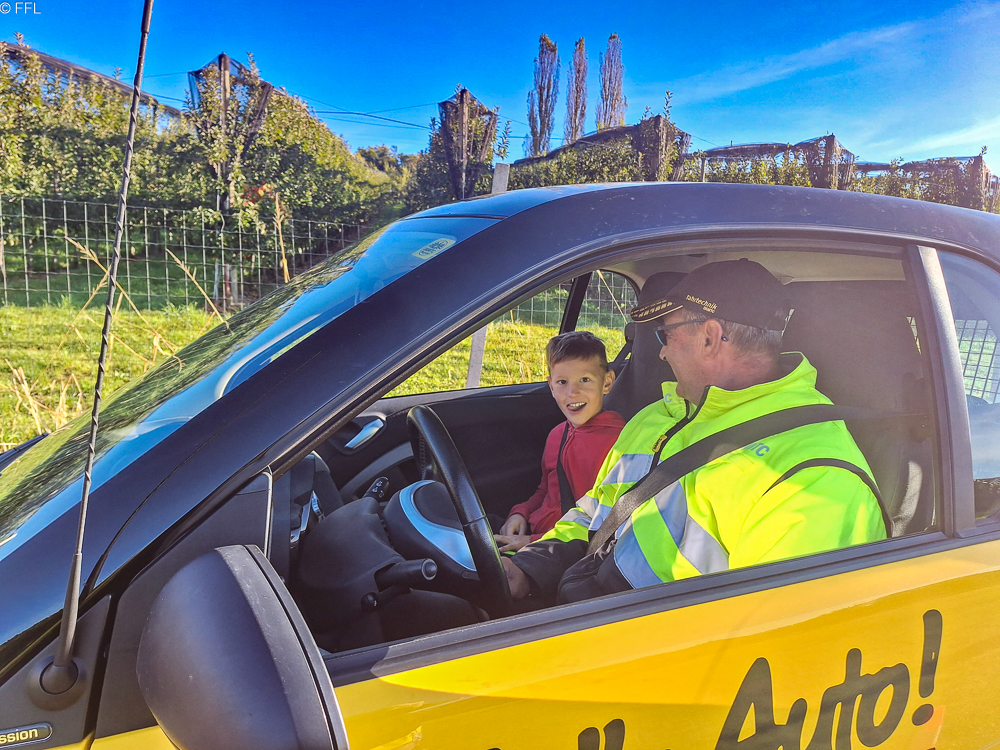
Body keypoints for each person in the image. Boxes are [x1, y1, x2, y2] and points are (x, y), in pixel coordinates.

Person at [502, 259, 887, 604]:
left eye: (665, 335)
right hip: (582, 605)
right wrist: (529, 569)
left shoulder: (814, 477)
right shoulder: (656, 416)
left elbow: (767, 637)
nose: (662, 352)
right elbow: (596, 509)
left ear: (709, 337)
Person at [494, 331, 626, 553]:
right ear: (551, 386)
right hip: (534, 533)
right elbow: (545, 490)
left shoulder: (617, 442)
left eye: (585, 380)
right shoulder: (557, 435)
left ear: (607, 382)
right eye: (562, 382)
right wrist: (520, 513)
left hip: (563, 549)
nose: (572, 393)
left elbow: (598, 520)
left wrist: (532, 541)